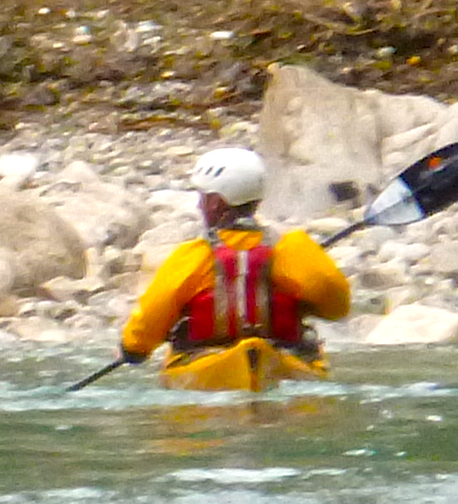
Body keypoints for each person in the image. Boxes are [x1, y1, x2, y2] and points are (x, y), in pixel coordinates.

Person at [119, 146, 351, 375]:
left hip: (206, 364)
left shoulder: (194, 255)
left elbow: (148, 322)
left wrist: (133, 349)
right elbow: (338, 307)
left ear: (216, 203)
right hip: (284, 357)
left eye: (204, 197)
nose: (200, 205)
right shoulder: (292, 247)